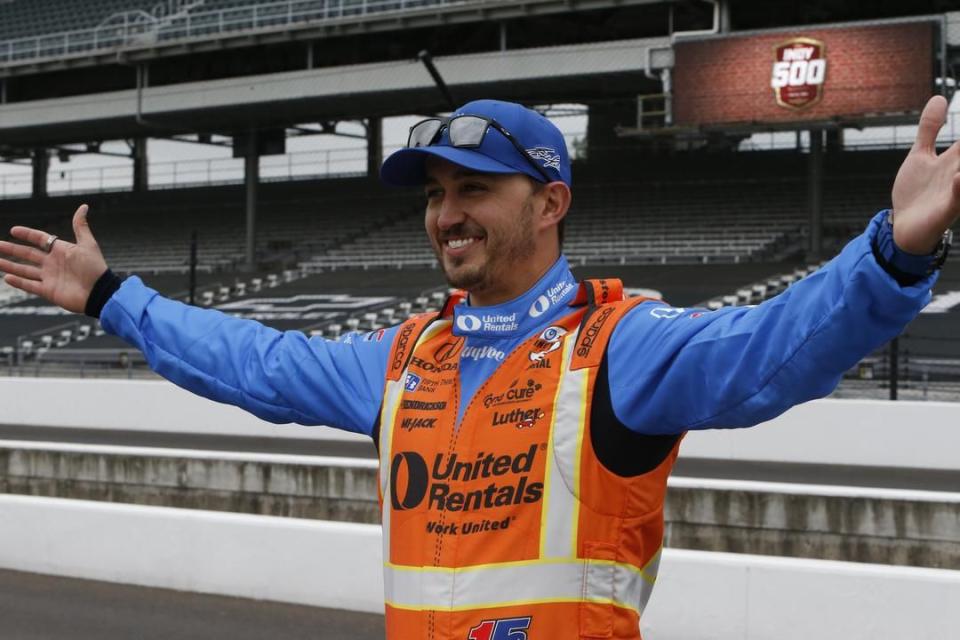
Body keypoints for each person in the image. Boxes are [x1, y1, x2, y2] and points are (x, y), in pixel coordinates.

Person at [0, 97, 954, 640]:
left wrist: (893, 255)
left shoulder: (619, 345)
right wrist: (111, 297)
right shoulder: (407, 357)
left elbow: (773, 349)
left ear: (550, 204)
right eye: (437, 193)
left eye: (475, 190)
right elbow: (257, 361)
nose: (446, 213)